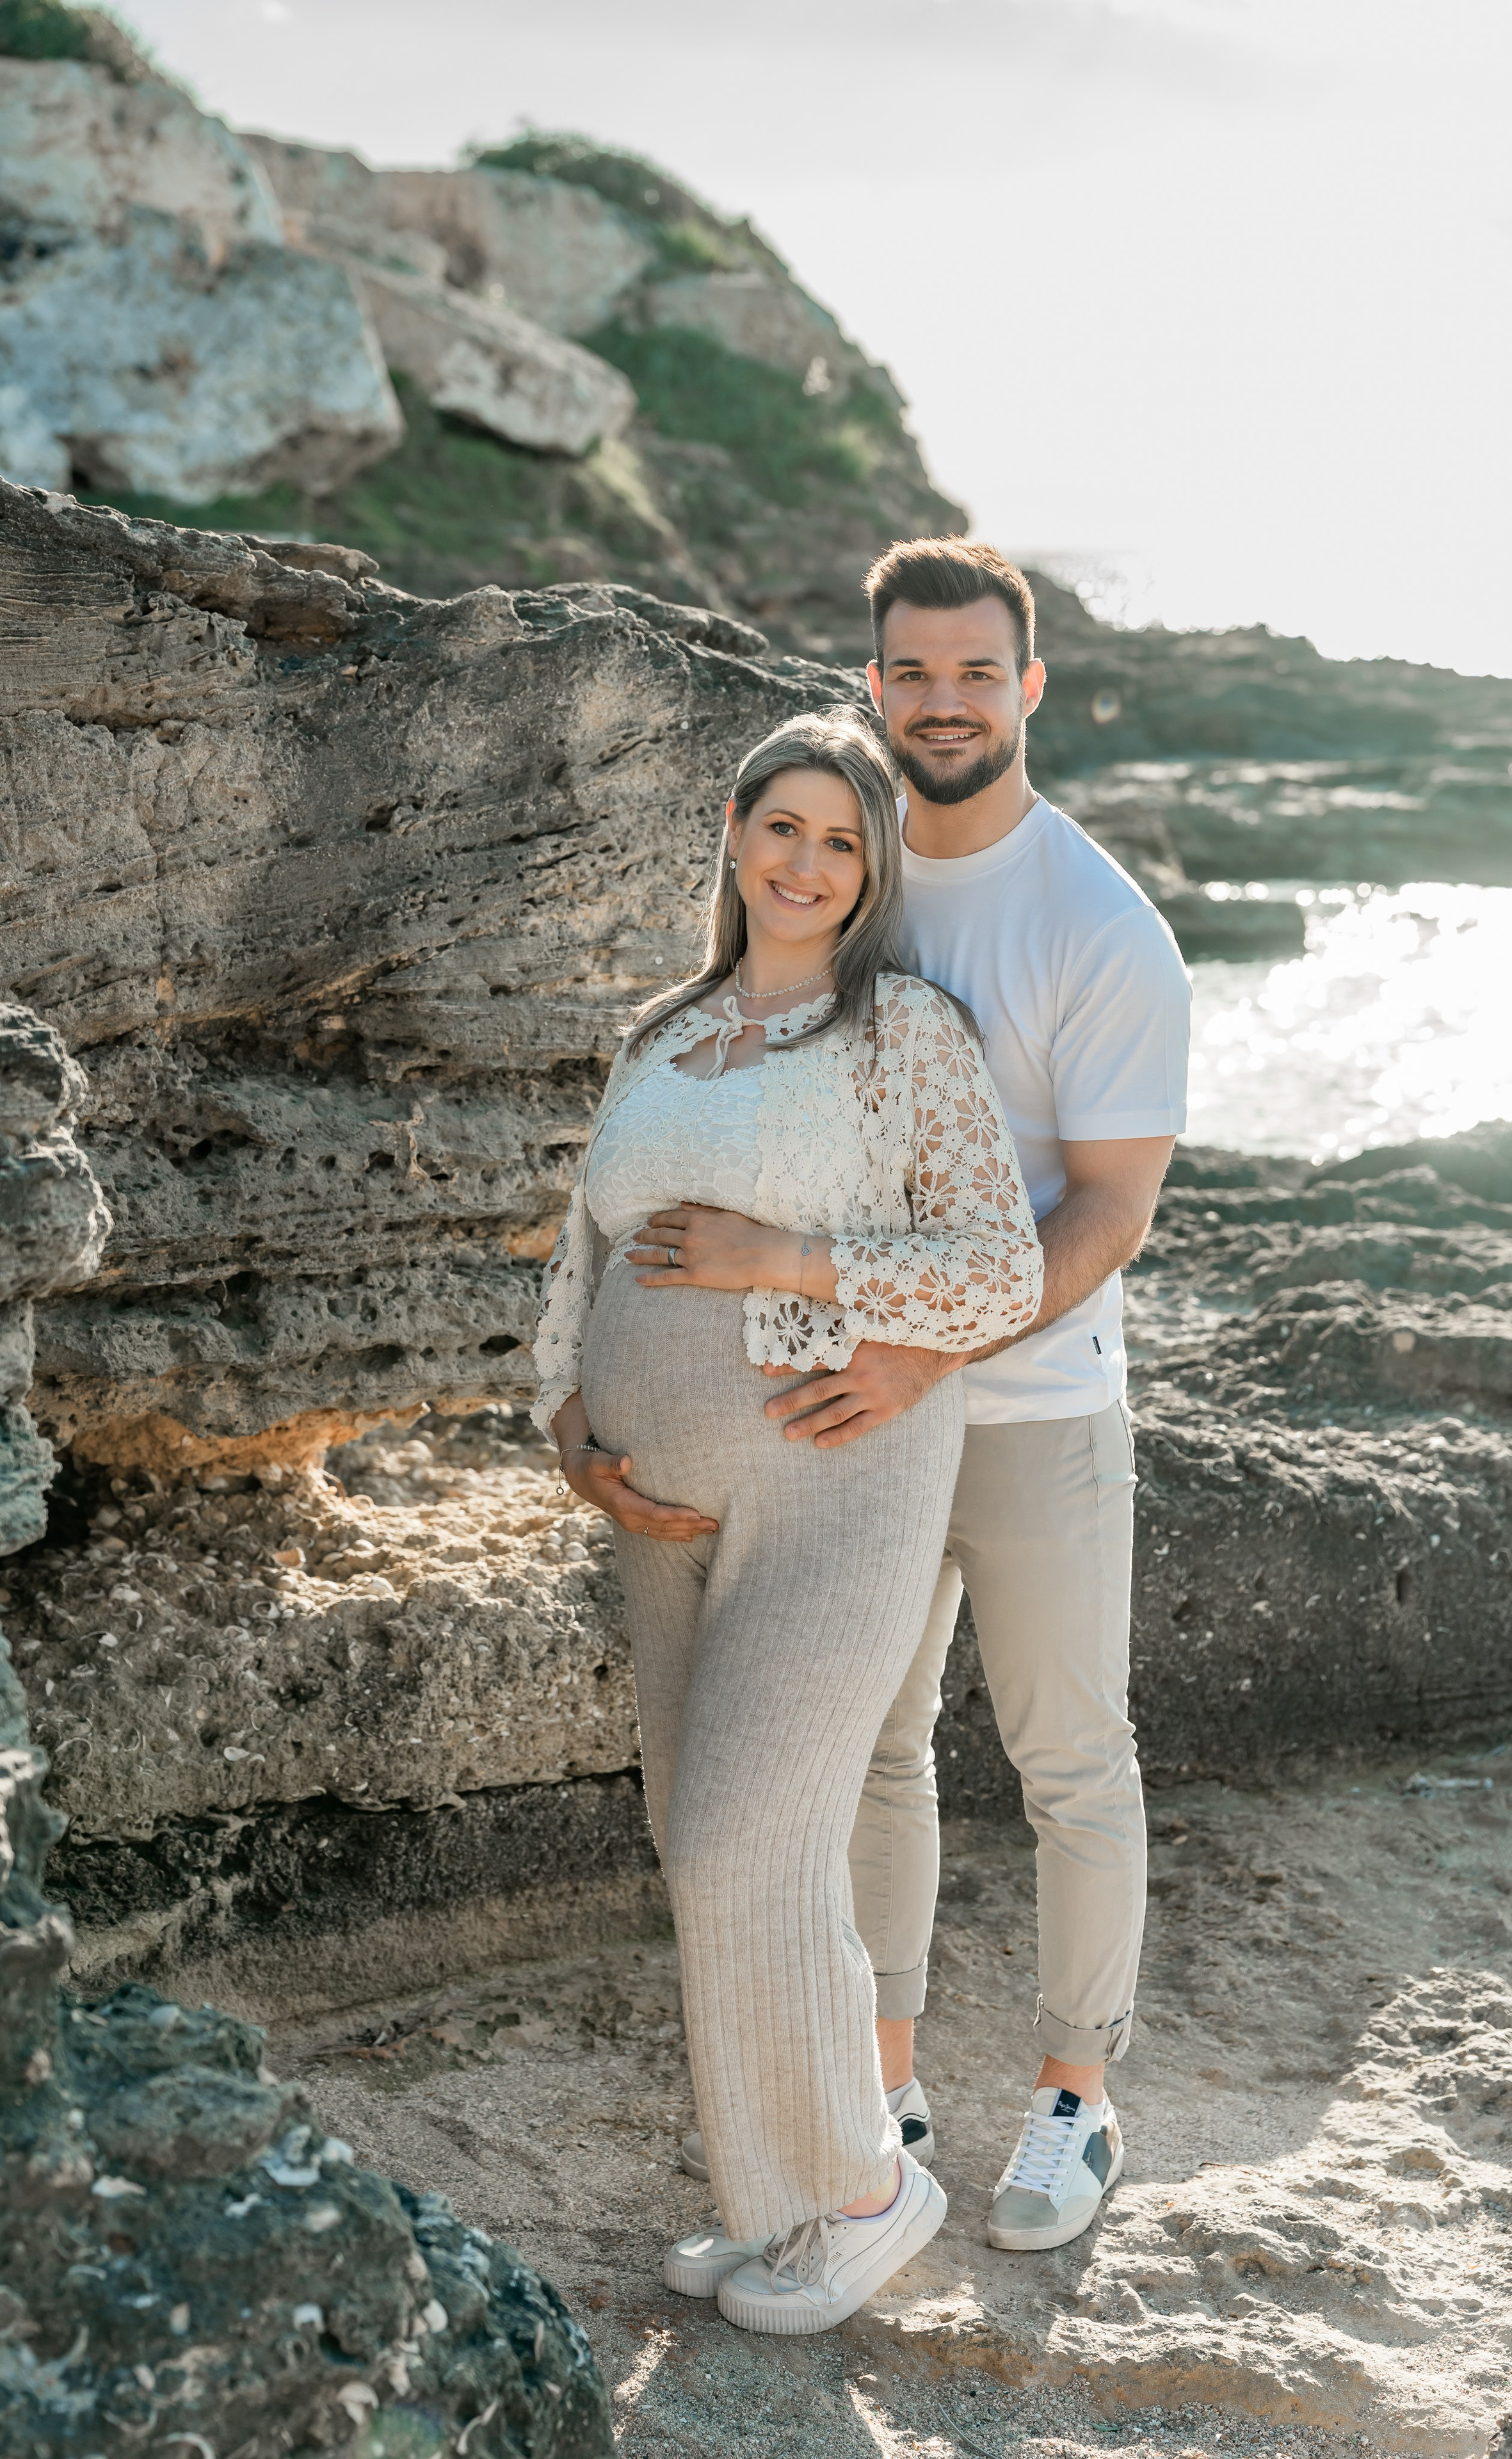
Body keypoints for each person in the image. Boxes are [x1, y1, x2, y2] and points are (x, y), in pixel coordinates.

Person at [533, 708, 1042, 2333]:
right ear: (734, 835)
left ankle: (870, 2190)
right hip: (658, 1504)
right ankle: (778, 2197)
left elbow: (996, 1270)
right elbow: (580, 1263)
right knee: (702, 1839)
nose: (807, 864)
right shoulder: (658, 1032)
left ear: (871, 868)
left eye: (842, 840)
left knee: (759, 1833)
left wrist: (793, 1263)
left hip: (836, 1471)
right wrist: (568, 1431)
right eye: (784, 829)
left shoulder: (900, 1034)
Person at [759, 540, 1192, 2254]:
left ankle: (1077, 2106)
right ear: (877, 686)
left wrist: (925, 1350)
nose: (943, 699)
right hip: (862, 1399)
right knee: (876, 1744)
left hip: (1030, 1413)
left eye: (975, 671)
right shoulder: (853, 879)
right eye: (911, 671)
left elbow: (1108, 1209)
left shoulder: (1101, 925)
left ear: (1030, 687)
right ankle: (886, 2084)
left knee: (1070, 1757)